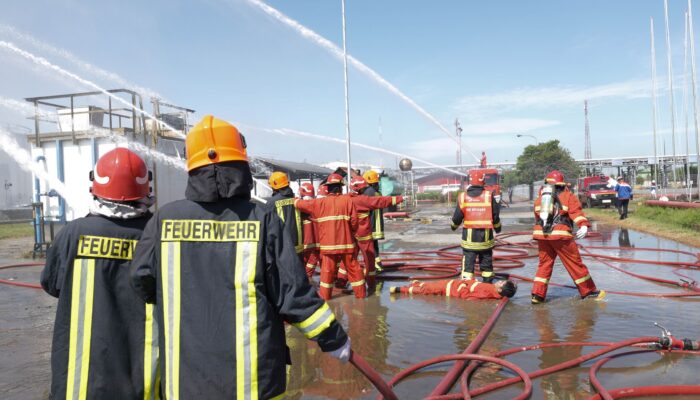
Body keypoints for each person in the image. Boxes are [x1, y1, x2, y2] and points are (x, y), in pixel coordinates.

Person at [130, 115, 350, 399]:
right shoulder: (262, 218)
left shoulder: (163, 220)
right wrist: (333, 338)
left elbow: (141, 280)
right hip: (252, 383)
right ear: (240, 162)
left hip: (184, 380)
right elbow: (292, 293)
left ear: (192, 165)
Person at [41, 148, 159, 400]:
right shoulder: (156, 233)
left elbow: (51, 284)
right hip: (141, 373)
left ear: (95, 185)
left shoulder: (74, 233)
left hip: (81, 378)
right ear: (146, 186)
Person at [531, 170, 605, 304]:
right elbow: (576, 212)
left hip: (542, 236)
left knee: (544, 265)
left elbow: (538, 218)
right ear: (562, 184)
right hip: (561, 236)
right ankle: (588, 292)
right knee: (574, 263)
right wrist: (583, 225)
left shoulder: (540, 199)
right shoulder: (568, 196)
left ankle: (537, 295)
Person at [295, 173, 364, 300]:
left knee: (326, 273)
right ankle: (361, 297)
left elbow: (302, 205)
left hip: (328, 246)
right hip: (347, 244)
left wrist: (293, 200)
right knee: (354, 270)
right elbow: (354, 222)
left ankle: (326, 298)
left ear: (327, 188)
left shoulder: (320, 203)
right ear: (341, 187)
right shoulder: (347, 200)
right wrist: (350, 232)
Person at [340, 176, 403, 292]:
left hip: (350, 236)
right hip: (364, 236)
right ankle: (371, 283)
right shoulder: (362, 200)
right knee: (369, 260)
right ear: (359, 188)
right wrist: (398, 199)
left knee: (348, 259)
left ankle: (341, 279)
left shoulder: (343, 200)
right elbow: (380, 201)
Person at [451, 170, 501, 283]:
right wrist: (498, 228)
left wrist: (453, 226)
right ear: (483, 181)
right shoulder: (489, 196)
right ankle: (487, 287)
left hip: (469, 240)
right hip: (486, 240)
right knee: (487, 266)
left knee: (468, 267)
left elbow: (457, 217)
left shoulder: (463, 197)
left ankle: (467, 288)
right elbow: (495, 217)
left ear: (470, 181)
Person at [267, 171, 304, 255]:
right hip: (299, 248)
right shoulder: (297, 200)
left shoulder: (271, 203)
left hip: (282, 249)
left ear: (274, 186)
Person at [388, 278, 517, 299]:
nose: (498, 281)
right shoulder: (491, 289)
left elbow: (468, 297)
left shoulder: (488, 293)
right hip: (451, 284)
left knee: (427, 290)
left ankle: (399, 290)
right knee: (429, 286)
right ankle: (416, 284)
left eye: (501, 283)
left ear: (500, 290)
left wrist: (463, 286)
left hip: (450, 289)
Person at [361, 170, 386, 273]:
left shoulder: (368, 192)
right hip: (377, 224)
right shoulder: (376, 192)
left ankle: (373, 267)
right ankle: (378, 264)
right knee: (374, 246)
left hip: (371, 224)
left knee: (369, 247)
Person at [299, 182, 320, 278]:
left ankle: (303, 276)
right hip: (317, 239)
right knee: (313, 258)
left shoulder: (299, 204)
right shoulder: (318, 204)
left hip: (304, 240)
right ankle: (307, 276)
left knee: (304, 259)